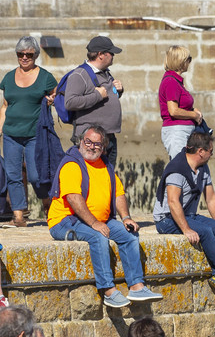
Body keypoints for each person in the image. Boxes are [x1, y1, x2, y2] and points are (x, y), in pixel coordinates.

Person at [47, 123, 160, 309]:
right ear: (81, 141)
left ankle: (137, 286)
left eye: (96, 144)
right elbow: (74, 198)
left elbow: (118, 193)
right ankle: (108, 290)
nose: (91, 146)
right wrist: (94, 223)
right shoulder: (72, 164)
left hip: (100, 219)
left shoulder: (105, 164)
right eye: (88, 141)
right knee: (98, 236)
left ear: (103, 147)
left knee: (129, 233)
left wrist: (126, 218)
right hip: (66, 220)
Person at [152, 130, 215, 293]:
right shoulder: (176, 169)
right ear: (201, 151)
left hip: (188, 215)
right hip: (166, 220)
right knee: (205, 232)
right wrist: (186, 229)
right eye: (210, 151)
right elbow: (173, 202)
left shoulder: (203, 168)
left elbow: (211, 198)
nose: (212, 154)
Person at [0, 36, 56, 225]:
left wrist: (52, 100)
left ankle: (48, 205)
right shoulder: (8, 77)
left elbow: (57, 95)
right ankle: (18, 216)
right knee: (12, 175)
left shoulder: (45, 77)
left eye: (29, 55)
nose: (24, 57)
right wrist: (0, 129)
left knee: (36, 176)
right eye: (20, 54)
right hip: (11, 134)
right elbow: (5, 106)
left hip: (35, 135)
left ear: (35, 55)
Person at [61, 35, 125, 175]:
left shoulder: (106, 73)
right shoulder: (79, 75)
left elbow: (107, 96)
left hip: (108, 137)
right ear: (101, 55)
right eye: (111, 53)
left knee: (107, 180)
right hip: (91, 140)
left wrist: (119, 91)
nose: (113, 56)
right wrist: (97, 96)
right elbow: (70, 102)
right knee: (91, 178)